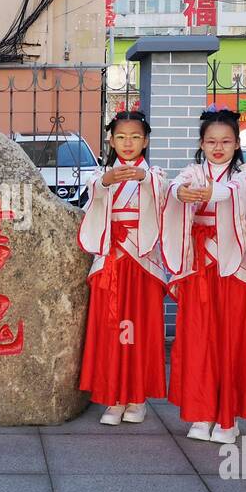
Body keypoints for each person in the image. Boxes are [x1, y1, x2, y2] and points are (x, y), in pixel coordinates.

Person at [161, 108, 246, 444]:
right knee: (197, 336)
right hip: (199, 265)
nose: (218, 147)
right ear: (201, 144)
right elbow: (174, 187)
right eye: (211, 141)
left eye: (226, 141)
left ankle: (228, 417)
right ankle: (201, 411)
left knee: (232, 337)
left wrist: (209, 193)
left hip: (233, 265)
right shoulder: (193, 172)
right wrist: (179, 193)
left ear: (238, 143)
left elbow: (237, 192)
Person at [77, 109, 168, 425]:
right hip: (112, 261)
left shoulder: (155, 176)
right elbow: (91, 200)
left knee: (139, 330)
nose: (127, 143)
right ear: (110, 140)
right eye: (120, 137)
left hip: (141, 264)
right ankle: (113, 397)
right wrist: (104, 181)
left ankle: (137, 397)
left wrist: (144, 178)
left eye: (135, 137)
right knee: (111, 329)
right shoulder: (101, 176)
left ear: (145, 141)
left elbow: (164, 196)